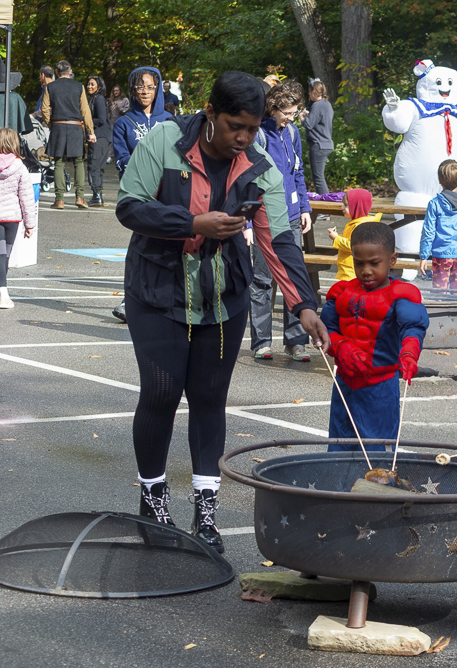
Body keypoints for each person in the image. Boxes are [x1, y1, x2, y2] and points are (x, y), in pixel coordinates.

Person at [115, 71, 329, 553]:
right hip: (156, 290)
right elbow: (130, 208)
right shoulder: (166, 140)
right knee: (161, 393)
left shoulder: (259, 165)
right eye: (236, 126)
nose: (245, 139)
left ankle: (205, 515)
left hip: (221, 296)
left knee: (209, 397)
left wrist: (305, 307)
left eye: (253, 129)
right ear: (210, 114)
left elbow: (279, 241)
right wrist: (192, 222)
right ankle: (153, 503)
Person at [321, 221, 428, 446]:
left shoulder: (401, 295)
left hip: (380, 386)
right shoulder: (341, 292)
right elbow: (325, 330)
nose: (366, 271)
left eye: (374, 263)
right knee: (339, 445)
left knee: (377, 450)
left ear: (392, 259)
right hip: (344, 382)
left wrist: (409, 355)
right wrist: (340, 345)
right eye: (359, 263)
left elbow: (413, 327)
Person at [250, 81, 313, 362]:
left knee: (294, 278)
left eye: (295, 113)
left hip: (290, 215)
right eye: (287, 113)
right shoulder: (258, 136)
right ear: (273, 108)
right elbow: (248, 180)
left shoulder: (294, 133)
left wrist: (304, 207)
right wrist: (247, 224)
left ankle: (296, 341)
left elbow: (298, 172)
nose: (290, 118)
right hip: (265, 215)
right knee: (263, 280)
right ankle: (261, 342)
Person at [110, 66, 173, 324]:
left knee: (169, 247)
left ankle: (167, 299)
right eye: (139, 87)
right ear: (132, 90)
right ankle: (129, 300)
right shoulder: (124, 123)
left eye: (149, 86)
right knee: (140, 246)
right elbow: (121, 158)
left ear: (157, 88)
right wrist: (146, 168)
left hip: (167, 194)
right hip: (139, 193)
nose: (144, 91)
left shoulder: (169, 120)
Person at [40, 60, 96, 209]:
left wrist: (52, 123)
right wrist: (90, 131)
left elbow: (44, 109)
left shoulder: (50, 87)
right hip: (75, 127)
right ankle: (80, 197)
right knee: (78, 162)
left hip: (58, 126)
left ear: (57, 73)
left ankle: (59, 199)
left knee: (58, 162)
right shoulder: (79, 87)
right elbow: (85, 110)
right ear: (70, 71)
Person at [418, 159, 457, 290]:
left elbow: (428, 232)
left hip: (441, 255)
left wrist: (424, 256)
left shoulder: (434, 204)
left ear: (439, 180)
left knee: (440, 293)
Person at [0, 128, 38, 309]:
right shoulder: (20, 167)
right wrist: (30, 224)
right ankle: (3, 293)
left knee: (0, 256)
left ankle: (2, 292)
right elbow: (26, 198)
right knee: (4, 256)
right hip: (11, 220)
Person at [328, 188, 381, 281]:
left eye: (346, 206)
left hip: (352, 271)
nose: (342, 208)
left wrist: (336, 238)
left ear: (357, 207)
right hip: (350, 269)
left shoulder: (360, 226)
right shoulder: (358, 223)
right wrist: (338, 236)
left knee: (351, 294)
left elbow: (353, 245)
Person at [299, 81, 333, 195]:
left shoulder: (317, 105)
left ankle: (326, 208)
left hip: (318, 144)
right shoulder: (327, 104)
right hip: (326, 144)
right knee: (320, 176)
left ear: (314, 92)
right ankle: (326, 206)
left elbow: (308, 125)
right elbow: (319, 122)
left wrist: (302, 118)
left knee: (318, 178)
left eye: (309, 93)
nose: (309, 95)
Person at [85, 76, 113, 207]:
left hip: (100, 137)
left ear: (99, 86)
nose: (89, 86)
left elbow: (101, 119)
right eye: (88, 84)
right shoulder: (94, 99)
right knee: (98, 168)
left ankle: (97, 195)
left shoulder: (99, 99)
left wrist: (85, 122)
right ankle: (98, 194)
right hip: (102, 137)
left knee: (94, 166)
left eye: (92, 84)